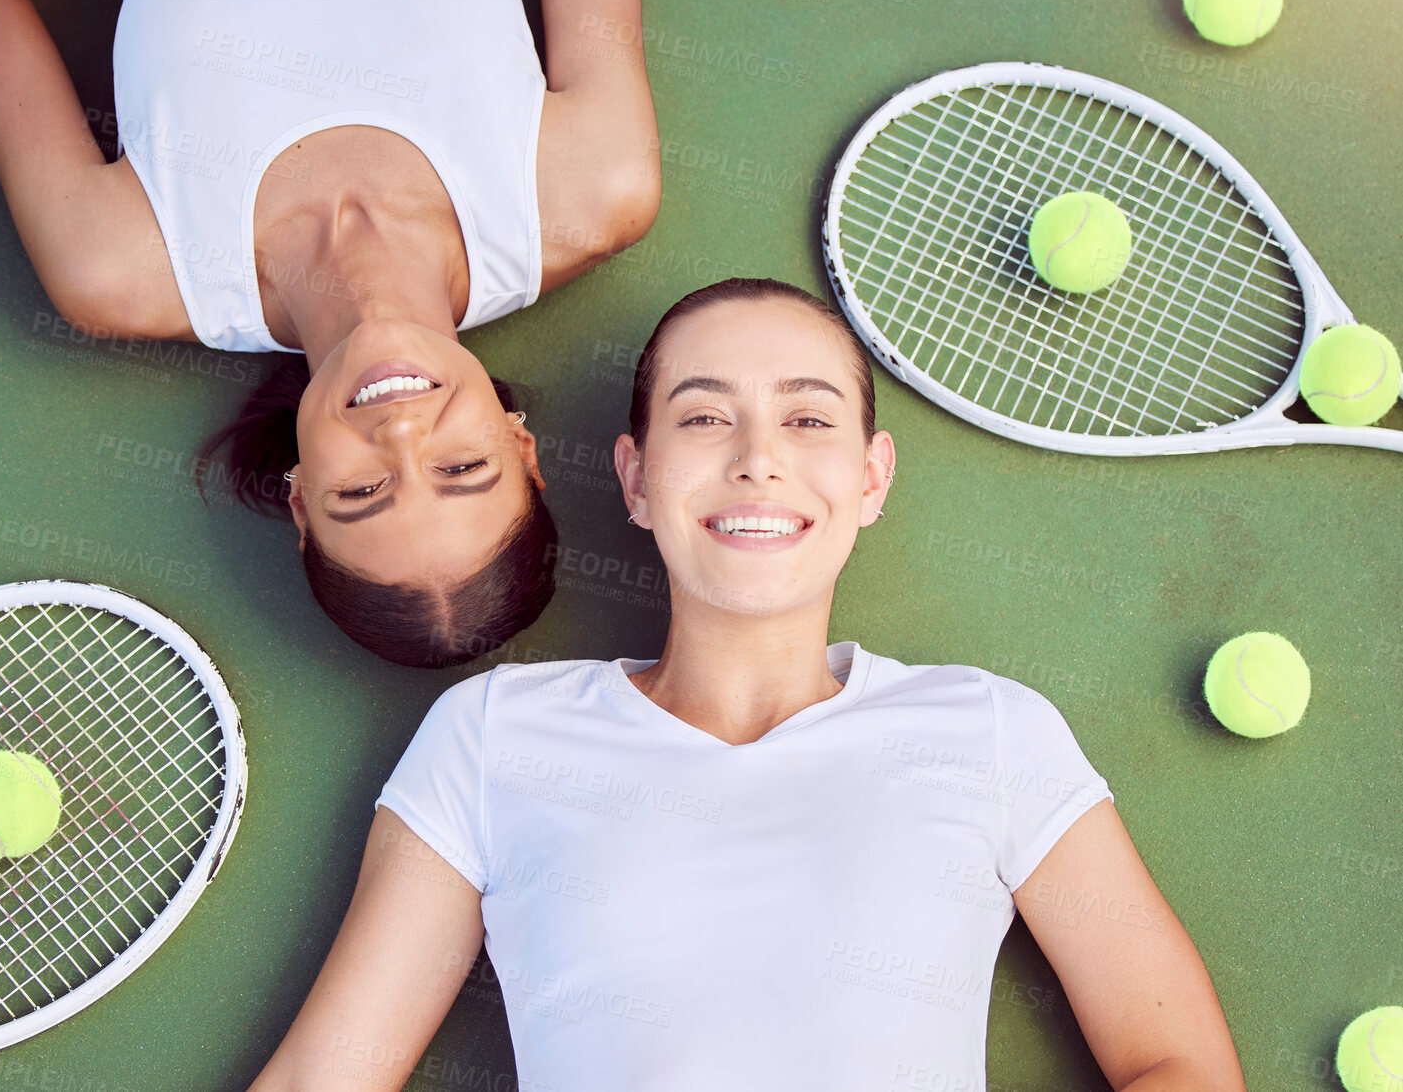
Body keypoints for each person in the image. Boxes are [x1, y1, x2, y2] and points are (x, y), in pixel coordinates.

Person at [244, 278, 1247, 1091]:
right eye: (705, 416)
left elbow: (1176, 1063)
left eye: (808, 419)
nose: (758, 459)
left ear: (869, 478)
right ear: (635, 480)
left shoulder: (989, 731)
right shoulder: (491, 737)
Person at [0, 0, 661, 666]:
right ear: (520, 447)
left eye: (362, 492)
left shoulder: (121, 267)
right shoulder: (589, 189)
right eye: (461, 468)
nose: (402, 434)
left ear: (301, 497)